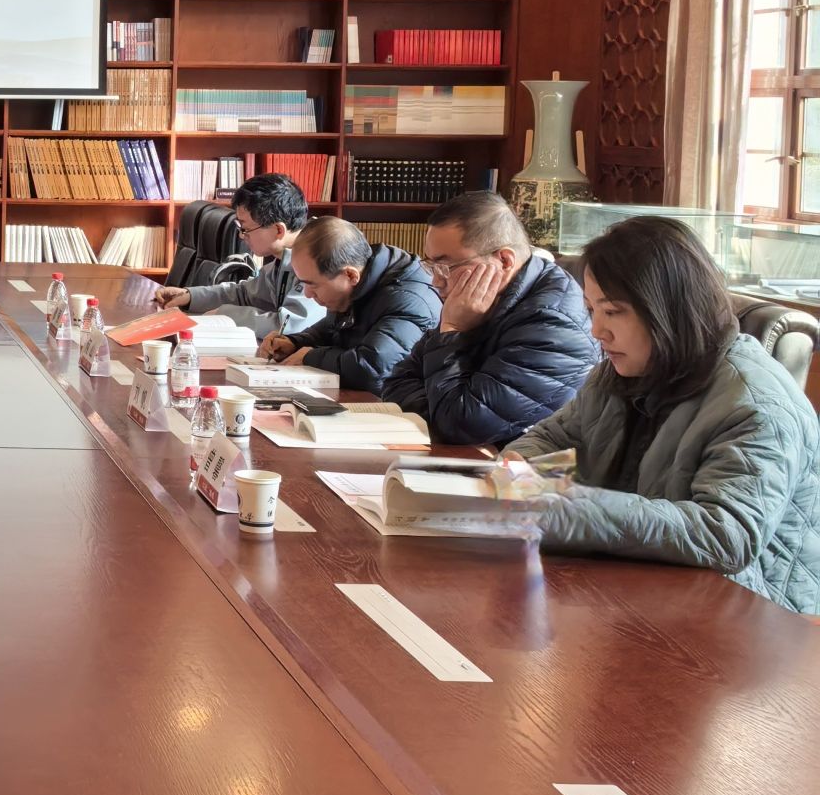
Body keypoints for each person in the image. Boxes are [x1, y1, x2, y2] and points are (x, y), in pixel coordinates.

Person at [505, 216, 819, 613]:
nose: (597, 331)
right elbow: (552, 440)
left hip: (753, 617)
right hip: (642, 593)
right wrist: (520, 476)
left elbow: (725, 535)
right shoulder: (619, 373)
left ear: (669, 309)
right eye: (590, 309)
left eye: (612, 312)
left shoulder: (755, 402)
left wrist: (566, 508)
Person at [380, 193, 598, 446]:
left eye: (446, 267)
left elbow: (462, 425)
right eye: (430, 266)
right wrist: (438, 411)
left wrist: (452, 330)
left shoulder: (554, 325)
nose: (436, 281)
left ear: (504, 260)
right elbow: (394, 386)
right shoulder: (478, 303)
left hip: (522, 468)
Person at [257, 216, 436, 395]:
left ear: (350, 275)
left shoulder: (409, 300)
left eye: (313, 285)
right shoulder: (359, 286)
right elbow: (330, 331)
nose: (307, 294)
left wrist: (310, 357)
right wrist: (294, 343)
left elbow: (373, 368)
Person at [154, 173, 324, 337]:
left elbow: (289, 326)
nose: (242, 236)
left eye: (246, 228)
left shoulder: (318, 258)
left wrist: (226, 315)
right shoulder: (283, 258)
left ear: (278, 230)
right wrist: (190, 296)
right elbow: (244, 293)